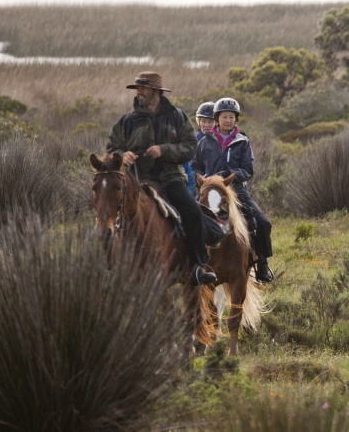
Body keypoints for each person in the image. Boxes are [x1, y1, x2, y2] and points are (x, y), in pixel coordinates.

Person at [107, 71, 216, 285]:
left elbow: (190, 147)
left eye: (143, 88)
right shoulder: (127, 121)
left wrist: (164, 150)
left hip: (170, 179)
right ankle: (110, 269)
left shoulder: (177, 117)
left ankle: (198, 266)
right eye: (137, 88)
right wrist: (122, 155)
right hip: (138, 180)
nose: (139, 92)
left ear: (156, 91)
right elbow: (112, 147)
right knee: (108, 212)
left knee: (193, 211)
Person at [192, 97, 275, 284]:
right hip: (211, 192)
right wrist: (199, 177)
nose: (228, 120)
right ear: (217, 119)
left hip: (237, 191)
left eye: (231, 117)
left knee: (262, 223)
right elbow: (195, 164)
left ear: (235, 119)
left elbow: (248, 169)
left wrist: (233, 176)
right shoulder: (205, 142)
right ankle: (193, 265)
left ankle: (262, 263)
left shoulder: (242, 141)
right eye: (224, 117)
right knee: (191, 221)